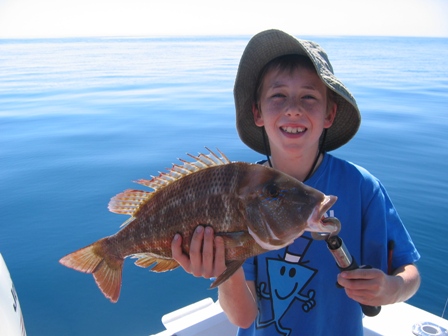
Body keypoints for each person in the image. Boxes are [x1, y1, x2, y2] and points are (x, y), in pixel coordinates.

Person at [171, 29, 421, 335]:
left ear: (330, 113)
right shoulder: (239, 195)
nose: (293, 108)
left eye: (309, 96)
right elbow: (243, 317)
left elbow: (409, 273)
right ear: (257, 111)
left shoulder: (362, 188)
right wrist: (223, 266)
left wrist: (392, 288)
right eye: (278, 95)